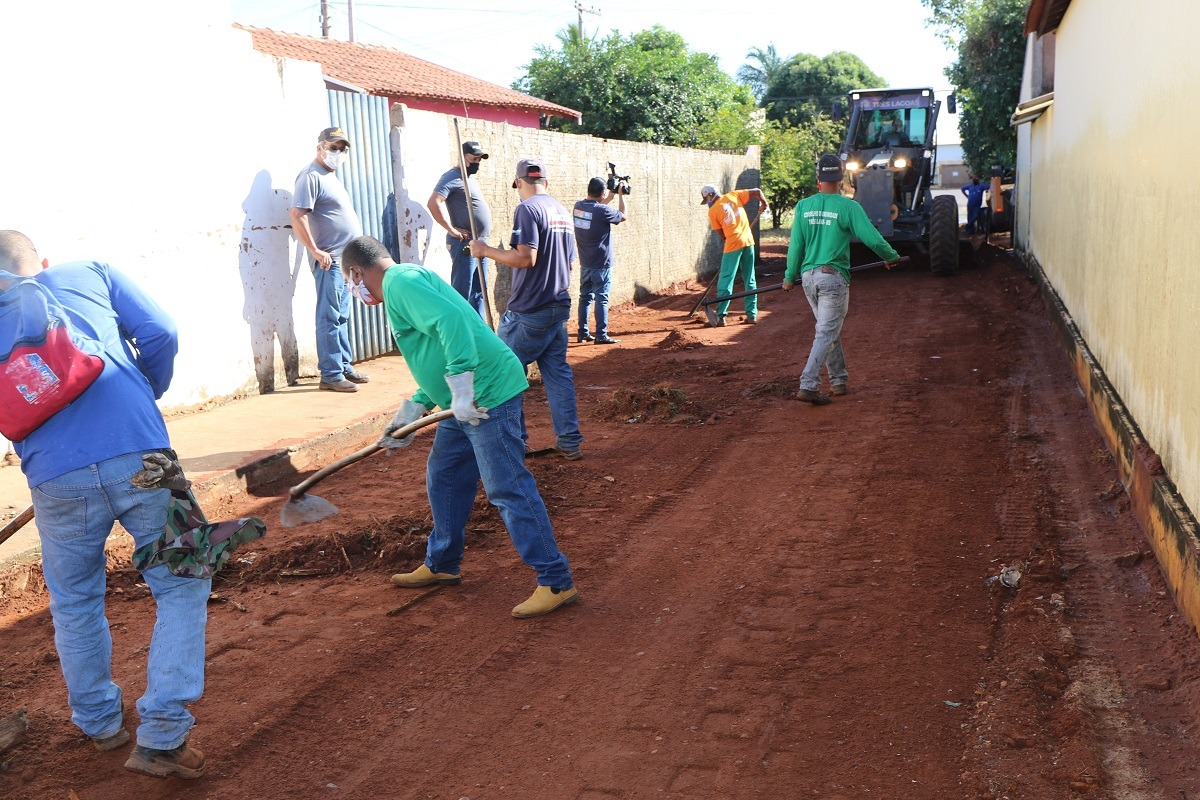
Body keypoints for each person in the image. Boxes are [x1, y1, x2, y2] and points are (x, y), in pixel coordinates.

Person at [0, 231, 209, 778]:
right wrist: (148, 393)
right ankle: (163, 732)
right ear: (40, 264)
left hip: (53, 475)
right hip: (143, 452)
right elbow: (161, 331)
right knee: (183, 579)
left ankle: (100, 724)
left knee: (73, 601)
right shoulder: (87, 270)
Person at [339, 236, 579, 619]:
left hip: (486, 397)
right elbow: (435, 346)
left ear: (357, 271)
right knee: (445, 475)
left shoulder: (399, 284)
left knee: (508, 487)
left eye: (350, 282)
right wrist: (415, 406)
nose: (354, 291)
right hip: (461, 402)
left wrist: (463, 384)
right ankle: (443, 563)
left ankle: (556, 580)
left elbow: (452, 324)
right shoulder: (406, 280)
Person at [470, 158, 584, 460]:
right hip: (557, 306)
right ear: (546, 181)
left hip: (529, 311)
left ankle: (514, 445)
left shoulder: (527, 209)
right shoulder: (561, 211)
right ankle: (569, 442)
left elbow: (525, 258)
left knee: (502, 374)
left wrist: (484, 251)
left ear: (519, 182)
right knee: (557, 374)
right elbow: (570, 261)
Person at [783, 155, 900, 405]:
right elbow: (873, 239)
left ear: (818, 179)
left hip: (808, 278)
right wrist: (890, 256)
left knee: (829, 329)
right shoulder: (848, 207)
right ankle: (809, 384)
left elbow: (796, 246)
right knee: (826, 331)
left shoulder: (803, 206)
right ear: (841, 178)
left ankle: (838, 381)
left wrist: (788, 276)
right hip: (832, 279)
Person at [290, 126, 369, 393]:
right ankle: (331, 374)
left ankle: (343, 366)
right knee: (330, 316)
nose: (338, 152)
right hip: (330, 259)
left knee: (342, 314)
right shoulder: (310, 176)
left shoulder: (329, 176)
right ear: (320, 147)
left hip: (345, 259)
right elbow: (297, 214)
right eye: (333, 147)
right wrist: (315, 251)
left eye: (342, 148)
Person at [428, 141, 493, 317]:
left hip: (480, 244)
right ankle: (461, 334)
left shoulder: (468, 178)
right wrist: (452, 230)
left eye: (479, 159)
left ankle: (478, 332)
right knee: (461, 295)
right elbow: (433, 202)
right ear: (462, 157)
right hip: (465, 244)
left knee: (479, 293)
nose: (477, 163)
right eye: (474, 159)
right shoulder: (452, 176)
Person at [700, 183, 769, 326]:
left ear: (711, 195)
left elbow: (721, 234)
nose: (708, 203)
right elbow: (756, 191)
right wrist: (764, 202)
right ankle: (752, 315)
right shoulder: (733, 195)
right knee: (749, 278)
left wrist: (730, 238)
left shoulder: (713, 212)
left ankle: (720, 317)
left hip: (733, 245)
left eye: (707, 200)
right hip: (748, 241)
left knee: (726, 279)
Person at [572, 177, 627, 344]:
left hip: (585, 264)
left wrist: (609, 196)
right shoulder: (602, 211)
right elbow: (623, 216)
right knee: (601, 299)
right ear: (602, 193)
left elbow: (597, 208)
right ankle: (601, 335)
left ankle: (583, 333)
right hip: (601, 265)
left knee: (585, 298)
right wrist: (621, 195)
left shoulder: (578, 207)